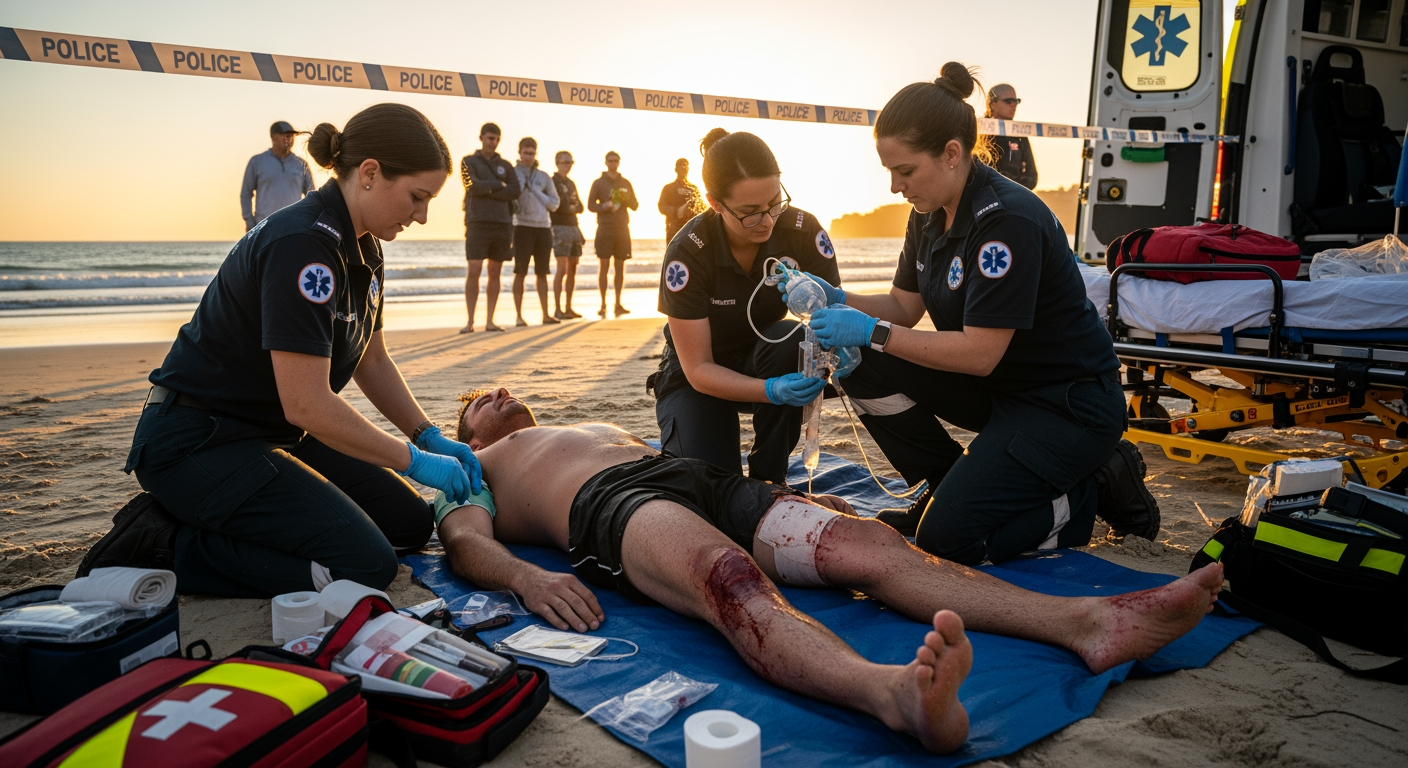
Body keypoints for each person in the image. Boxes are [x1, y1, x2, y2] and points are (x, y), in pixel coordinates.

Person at [434, 386, 1224, 754]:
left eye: (500, 392)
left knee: (871, 548)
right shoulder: (473, 462)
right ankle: (891, 697)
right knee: (731, 582)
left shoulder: (584, 419)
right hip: (608, 506)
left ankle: (1087, 623)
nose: (497, 395)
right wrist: (525, 579)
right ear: (463, 427)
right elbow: (464, 541)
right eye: (478, 401)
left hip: (693, 478)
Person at [82, 104, 483, 598]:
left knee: (406, 524)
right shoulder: (302, 243)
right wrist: (412, 460)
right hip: (200, 442)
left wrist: (428, 436)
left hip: (274, 432)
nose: (421, 216)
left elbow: (372, 359)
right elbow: (308, 403)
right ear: (371, 174)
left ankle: (241, 517)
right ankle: (160, 541)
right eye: (417, 198)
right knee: (363, 566)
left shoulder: (365, 248)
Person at [781, 63, 1159, 565]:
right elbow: (903, 308)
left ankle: (1085, 497)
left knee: (948, 541)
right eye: (889, 171)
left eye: (906, 170)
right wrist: (836, 297)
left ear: (952, 154)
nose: (895, 186)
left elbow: (979, 354)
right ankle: (943, 485)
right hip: (1003, 391)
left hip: (1065, 407)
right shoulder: (929, 213)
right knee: (858, 357)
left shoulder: (1007, 220)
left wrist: (872, 330)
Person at [649, 128, 840, 484]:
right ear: (715, 203)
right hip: (699, 376)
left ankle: (772, 479)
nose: (767, 220)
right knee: (709, 485)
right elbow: (699, 368)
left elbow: (833, 319)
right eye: (750, 212)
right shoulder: (689, 251)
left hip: (764, 360)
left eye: (774, 203)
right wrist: (771, 391)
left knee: (791, 339)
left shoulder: (801, 231)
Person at [460, 123, 521, 333]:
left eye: (495, 139)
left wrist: (488, 188)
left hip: (502, 223)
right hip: (477, 222)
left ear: (498, 140)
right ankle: (469, 321)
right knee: (474, 269)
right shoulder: (468, 161)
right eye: (488, 138)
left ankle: (490, 321)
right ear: (481, 138)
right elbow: (471, 186)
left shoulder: (505, 164)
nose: (491, 142)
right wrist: (497, 185)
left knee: (495, 271)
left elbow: (515, 191)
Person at [510, 138, 561, 327]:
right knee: (520, 272)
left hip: (543, 228)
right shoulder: (513, 173)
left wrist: (535, 192)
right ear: (520, 152)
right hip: (522, 226)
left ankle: (546, 314)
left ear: (535, 154)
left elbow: (555, 204)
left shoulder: (543, 177)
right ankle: (518, 316)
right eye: (526, 153)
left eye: (532, 153)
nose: (529, 156)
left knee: (542, 273)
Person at [586, 151, 638, 317]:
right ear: (606, 162)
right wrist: (605, 205)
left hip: (622, 227)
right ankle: (602, 304)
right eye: (610, 161)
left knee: (620, 266)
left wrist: (625, 197)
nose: (613, 163)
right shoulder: (598, 183)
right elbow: (590, 205)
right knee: (604, 265)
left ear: (619, 162)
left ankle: (618, 303)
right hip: (605, 228)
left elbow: (635, 205)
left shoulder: (625, 183)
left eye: (615, 160)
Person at [240, 121, 315, 231]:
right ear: (274, 137)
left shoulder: (301, 164)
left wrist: (308, 222)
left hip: (294, 227)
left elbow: (311, 195)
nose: (290, 140)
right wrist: (250, 223)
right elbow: (246, 193)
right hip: (264, 228)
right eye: (286, 136)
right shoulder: (257, 162)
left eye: (292, 136)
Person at [550, 151, 586, 320]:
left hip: (573, 226)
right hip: (559, 226)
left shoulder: (571, 183)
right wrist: (571, 207)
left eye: (570, 162)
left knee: (573, 267)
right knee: (562, 268)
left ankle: (568, 307)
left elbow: (580, 206)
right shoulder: (553, 181)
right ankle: (557, 309)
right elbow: (559, 206)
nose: (567, 165)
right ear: (557, 163)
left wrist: (571, 207)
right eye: (564, 162)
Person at [983, 84, 1037, 189]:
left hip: (1014, 196)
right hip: (986, 197)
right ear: (993, 104)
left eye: (1016, 101)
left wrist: (1015, 188)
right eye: (1008, 101)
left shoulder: (1019, 134)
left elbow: (1032, 176)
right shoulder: (979, 133)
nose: (1013, 105)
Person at [658, 157, 703, 243]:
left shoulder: (693, 189)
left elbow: (700, 209)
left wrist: (692, 212)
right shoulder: (668, 188)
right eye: (681, 167)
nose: (684, 170)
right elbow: (661, 207)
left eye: (686, 167)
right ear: (676, 169)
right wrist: (678, 211)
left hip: (690, 229)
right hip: (673, 229)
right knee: (673, 254)